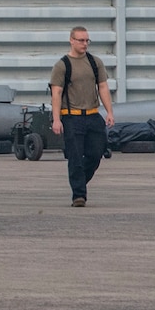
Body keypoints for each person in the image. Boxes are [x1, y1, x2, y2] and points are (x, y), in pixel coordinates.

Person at [48, 26, 113, 207]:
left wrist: (109, 112)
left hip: (93, 115)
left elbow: (103, 87)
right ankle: (79, 196)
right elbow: (56, 93)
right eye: (81, 40)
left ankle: (79, 182)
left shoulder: (95, 62)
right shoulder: (62, 65)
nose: (85, 44)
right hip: (72, 116)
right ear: (71, 40)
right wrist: (56, 119)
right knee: (75, 157)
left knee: (95, 154)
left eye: (87, 41)